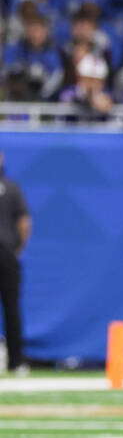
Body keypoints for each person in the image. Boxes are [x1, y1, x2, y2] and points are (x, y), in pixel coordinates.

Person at [0, 153, 31, 376]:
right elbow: (24, 222)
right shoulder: (11, 188)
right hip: (8, 253)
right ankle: (16, 362)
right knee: (12, 308)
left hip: (7, 254)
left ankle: (16, 360)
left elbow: (24, 222)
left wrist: (17, 249)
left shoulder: (11, 188)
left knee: (12, 308)